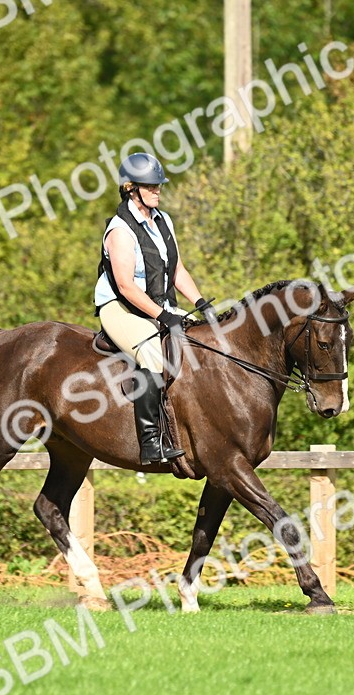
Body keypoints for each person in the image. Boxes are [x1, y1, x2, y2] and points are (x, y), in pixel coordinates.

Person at [94, 152, 218, 465]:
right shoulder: (120, 231)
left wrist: (200, 303)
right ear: (130, 188)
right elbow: (125, 287)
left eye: (158, 185)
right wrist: (163, 316)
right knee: (151, 352)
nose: (157, 190)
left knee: (203, 342)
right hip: (120, 308)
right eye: (151, 186)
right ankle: (150, 441)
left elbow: (176, 270)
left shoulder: (163, 222)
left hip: (158, 305)